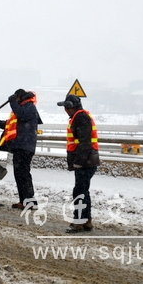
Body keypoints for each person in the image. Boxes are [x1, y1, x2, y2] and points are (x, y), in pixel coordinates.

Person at [0, 89, 41, 209]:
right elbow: (7, 125)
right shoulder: (22, 108)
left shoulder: (29, 107)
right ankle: (24, 201)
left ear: (20, 97)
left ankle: (30, 202)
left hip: (25, 147)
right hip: (19, 147)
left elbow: (21, 114)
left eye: (17, 99)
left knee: (23, 174)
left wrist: (12, 102)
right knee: (19, 174)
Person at [57, 94, 100, 233]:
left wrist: (79, 162)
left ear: (71, 107)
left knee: (79, 192)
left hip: (85, 162)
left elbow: (85, 143)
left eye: (66, 107)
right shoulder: (80, 117)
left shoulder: (81, 118)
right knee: (83, 191)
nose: (65, 109)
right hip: (88, 161)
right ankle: (86, 221)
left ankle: (79, 222)